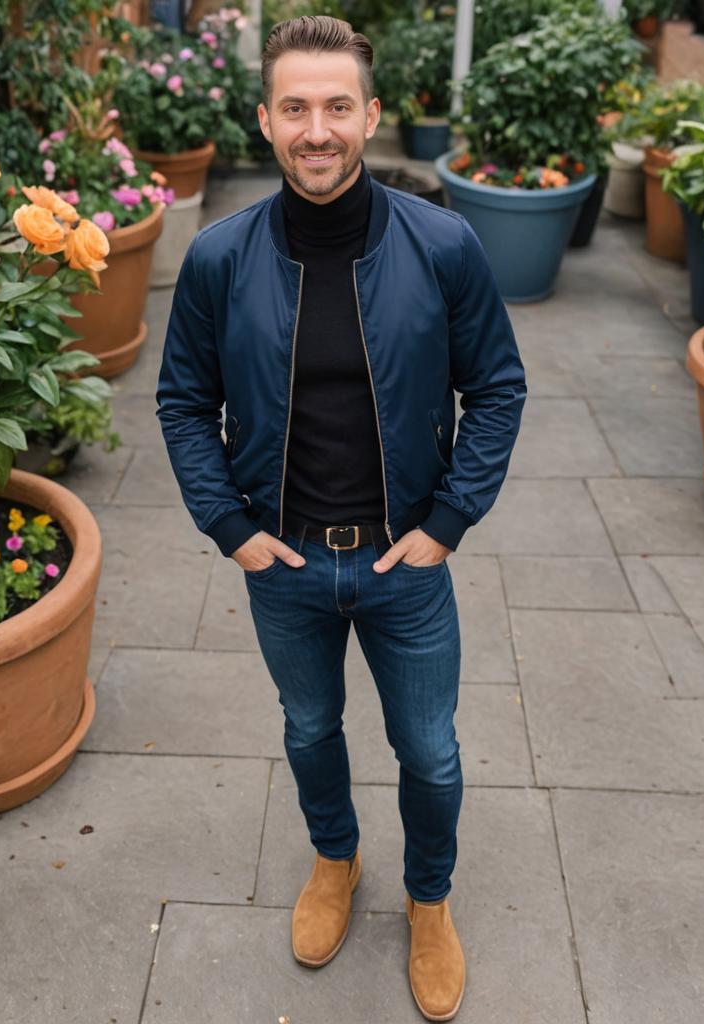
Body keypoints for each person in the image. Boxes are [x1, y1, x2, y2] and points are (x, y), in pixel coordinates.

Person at [156, 14, 526, 1021]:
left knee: (431, 751)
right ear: (264, 120)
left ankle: (429, 896)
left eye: (335, 107)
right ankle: (335, 856)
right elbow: (183, 401)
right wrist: (228, 527)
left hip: (404, 561)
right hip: (281, 565)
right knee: (311, 723)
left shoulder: (442, 244)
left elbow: (496, 386)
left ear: (369, 114)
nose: (316, 129)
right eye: (294, 108)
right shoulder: (219, 258)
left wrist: (449, 519)